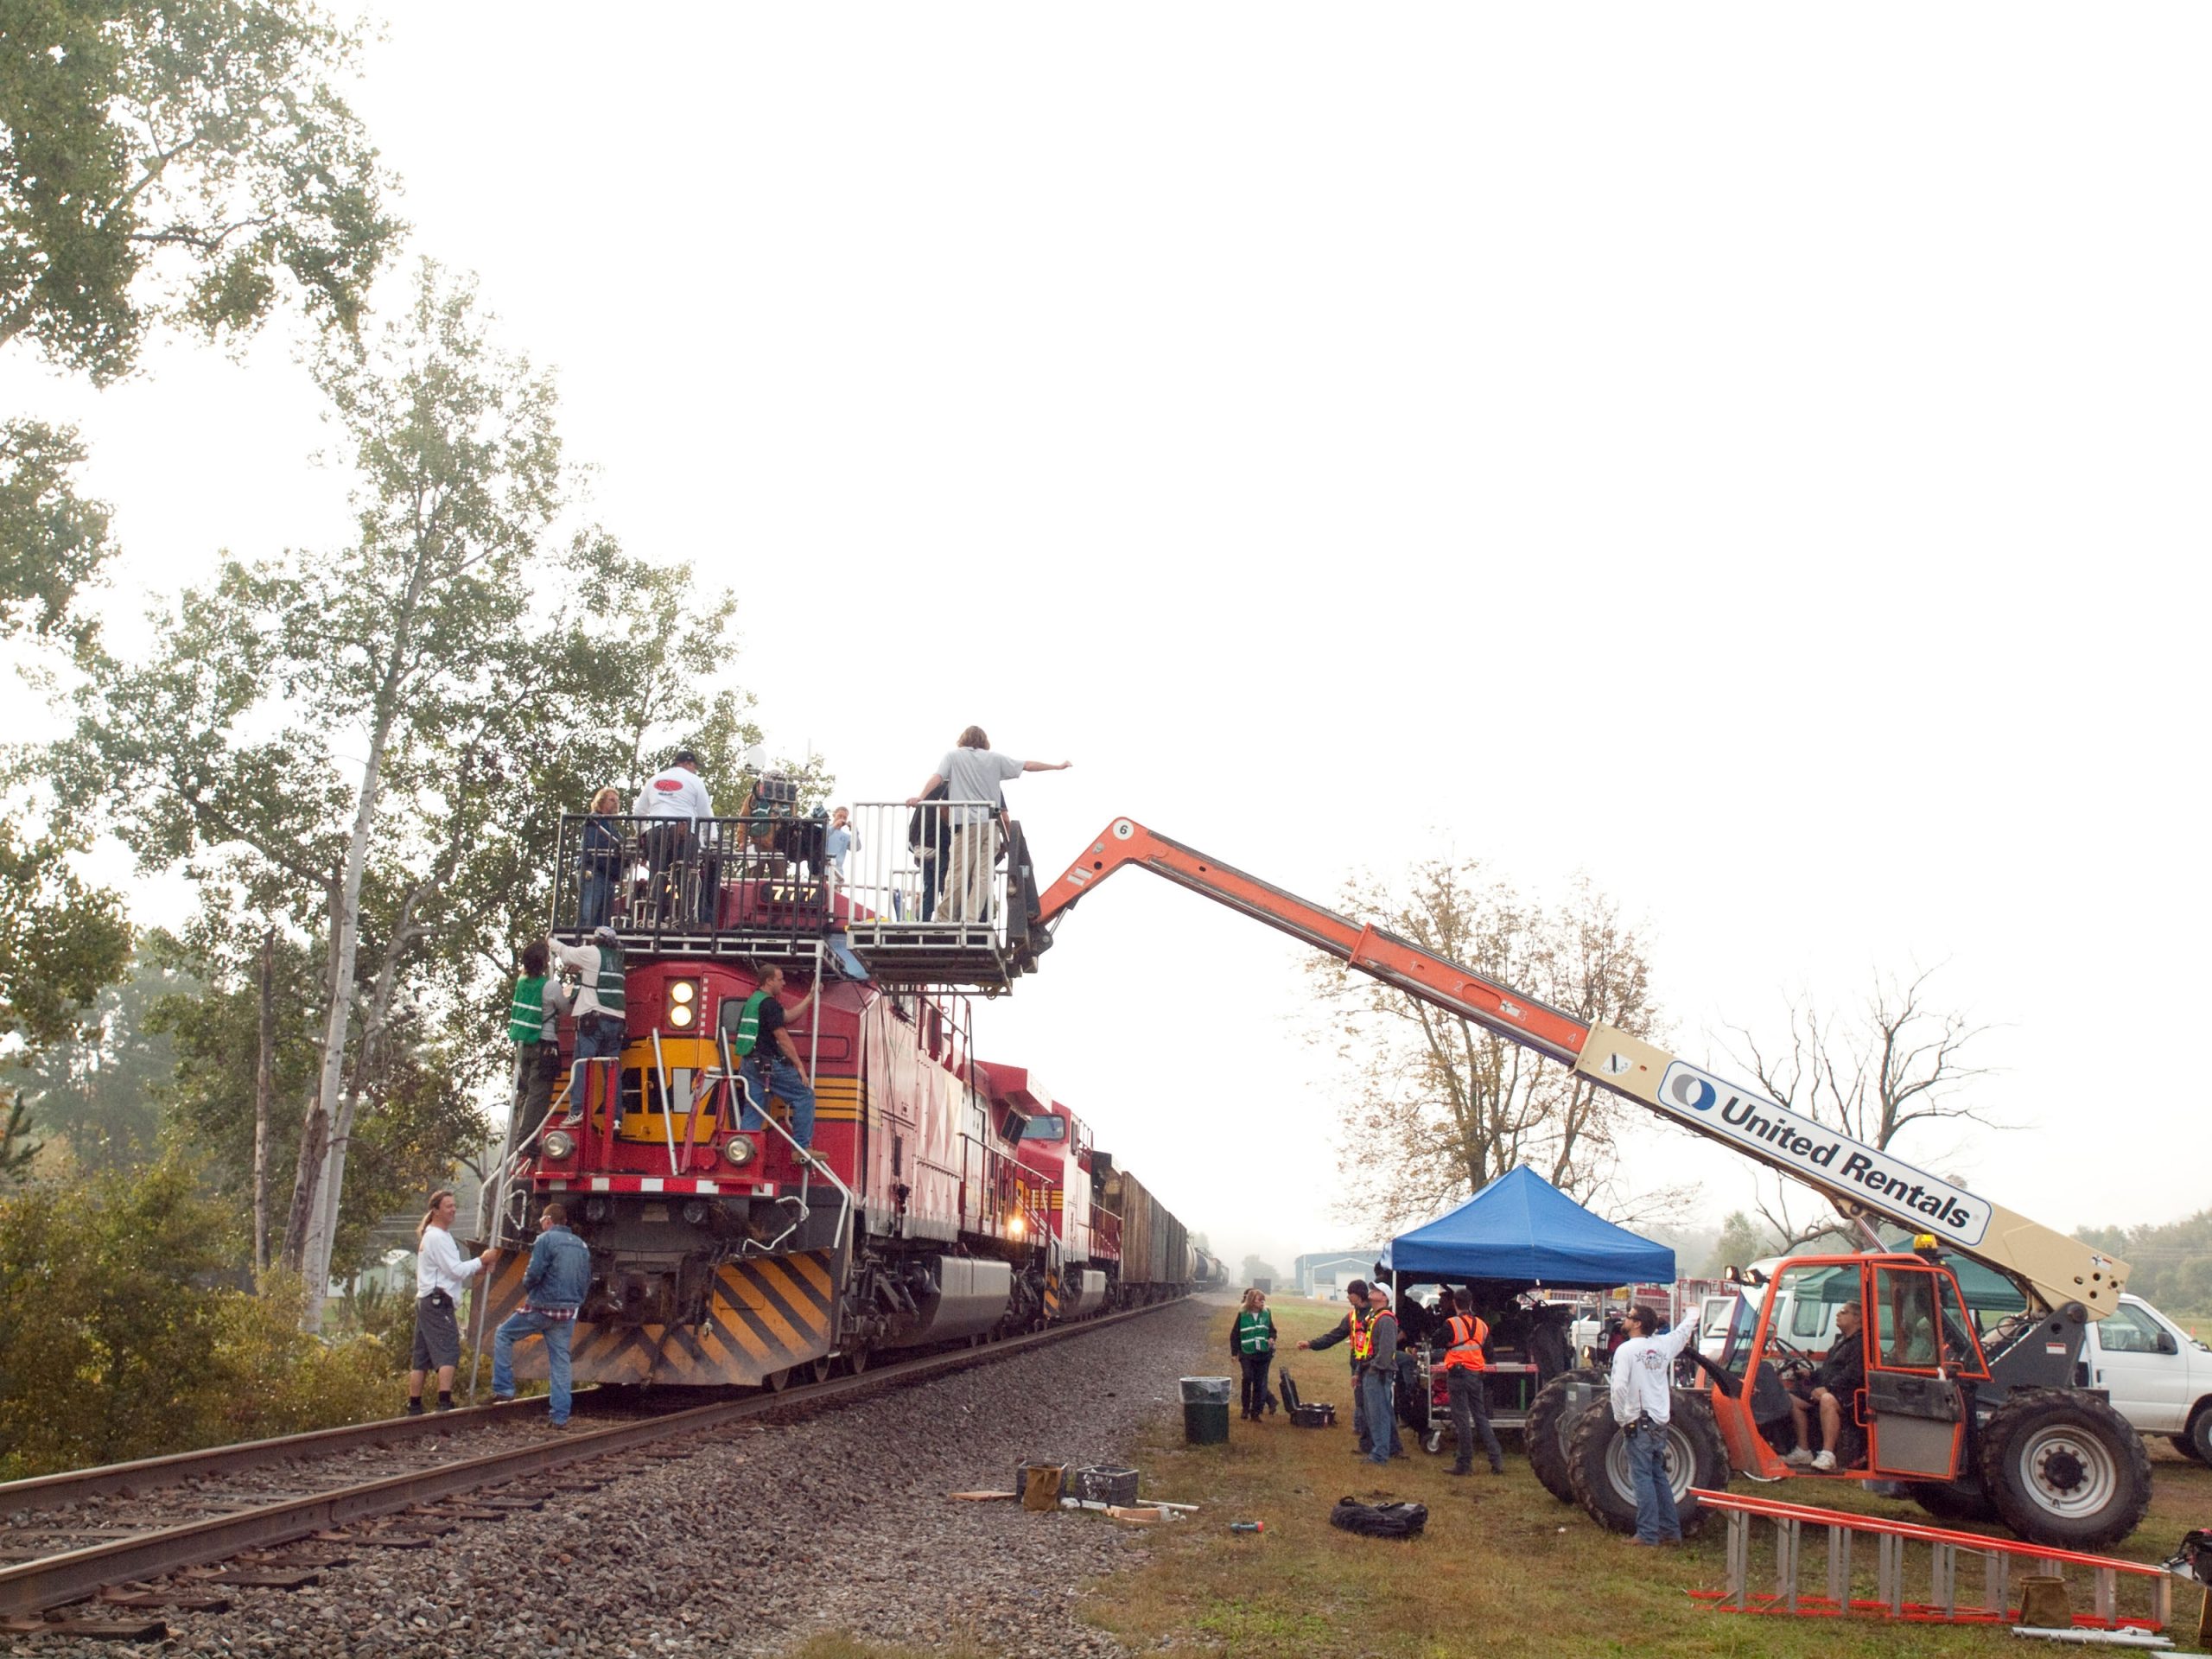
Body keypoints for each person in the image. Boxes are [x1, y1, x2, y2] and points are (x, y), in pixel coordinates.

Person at [906, 728, 1071, 924]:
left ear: (962, 740)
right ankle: (971, 918)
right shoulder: (995, 759)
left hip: (967, 823)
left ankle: (945, 917)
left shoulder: (953, 757)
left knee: (957, 872)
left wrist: (920, 797)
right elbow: (1027, 765)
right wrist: (1056, 767)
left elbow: (938, 777)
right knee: (982, 875)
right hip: (991, 824)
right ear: (985, 742)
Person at [490, 1201, 591, 1427]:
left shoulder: (545, 1239)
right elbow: (586, 1279)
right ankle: (560, 1417)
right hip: (567, 1313)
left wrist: (528, 1287)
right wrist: (576, 1303)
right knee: (560, 1361)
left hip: (542, 1307)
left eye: (542, 1221)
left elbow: (534, 1272)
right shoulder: (581, 1245)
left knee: (503, 1334)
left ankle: (504, 1388)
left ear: (548, 1221)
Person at [1606, 1304, 1700, 1544]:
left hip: (1638, 1421)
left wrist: (1621, 1418)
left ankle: (1647, 1533)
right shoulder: (1662, 1345)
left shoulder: (1626, 1350)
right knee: (1658, 1475)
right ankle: (1670, 1530)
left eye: (1629, 1316)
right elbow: (1682, 1333)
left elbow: (1618, 1388)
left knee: (1642, 1477)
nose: (1625, 1319)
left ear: (1637, 1324)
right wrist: (1693, 1313)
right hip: (1659, 1421)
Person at [407, 1189, 498, 1414]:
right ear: (436, 1210)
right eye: (448, 1206)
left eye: (454, 1205)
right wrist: (482, 1259)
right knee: (448, 1350)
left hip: (428, 1300)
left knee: (422, 1356)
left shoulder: (437, 1236)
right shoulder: (437, 1237)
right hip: (437, 1302)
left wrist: (478, 1269)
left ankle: (414, 1405)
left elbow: (448, 1271)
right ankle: (444, 1402)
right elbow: (455, 1270)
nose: (453, 1209)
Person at [732, 965, 820, 1154]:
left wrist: (810, 996)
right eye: (780, 979)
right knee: (804, 1096)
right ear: (769, 981)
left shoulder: (754, 1001)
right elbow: (782, 1037)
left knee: (754, 1108)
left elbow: (786, 1016)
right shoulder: (769, 1004)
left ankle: (742, 1152)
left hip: (749, 1063)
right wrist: (799, 1066)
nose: (784, 983)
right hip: (766, 1064)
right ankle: (802, 1148)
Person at [549, 926, 627, 1122]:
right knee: (612, 1070)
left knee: (583, 1064)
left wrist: (549, 940)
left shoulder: (592, 953)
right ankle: (615, 1118)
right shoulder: (618, 959)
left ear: (596, 939)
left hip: (593, 1019)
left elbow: (566, 954)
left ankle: (577, 1110)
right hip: (616, 1022)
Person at [1300, 1279, 1383, 1456]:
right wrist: (1311, 1344)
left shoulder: (1375, 1314)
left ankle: (1379, 1446)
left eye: (1349, 1293)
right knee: (1362, 1405)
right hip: (1357, 1367)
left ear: (1358, 1294)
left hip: (1373, 1367)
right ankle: (1366, 1442)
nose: (1347, 1297)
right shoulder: (1351, 1317)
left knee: (1373, 1407)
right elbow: (1334, 1336)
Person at [633, 749, 714, 925]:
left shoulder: (654, 780)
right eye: (694, 766)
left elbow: (638, 811)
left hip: (657, 830)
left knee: (657, 876)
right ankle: (686, 921)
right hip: (685, 831)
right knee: (685, 879)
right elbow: (706, 814)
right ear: (687, 764)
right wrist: (711, 842)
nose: (695, 770)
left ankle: (652, 920)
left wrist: (642, 835)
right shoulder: (695, 781)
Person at [1786, 1301, 1866, 1471]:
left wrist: (1829, 1388)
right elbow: (1830, 1369)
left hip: (1851, 1397)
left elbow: (1853, 1374)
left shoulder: (1861, 1343)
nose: (1838, 1315)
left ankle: (1828, 1455)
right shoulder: (1840, 1342)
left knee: (1828, 1400)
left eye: (1843, 1312)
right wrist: (1811, 1374)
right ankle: (1803, 1450)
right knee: (1792, 1399)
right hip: (1835, 1390)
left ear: (1857, 1318)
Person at [506, 942, 571, 1141]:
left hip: (524, 1045)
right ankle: (526, 1141)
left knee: (526, 1092)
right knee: (539, 1095)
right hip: (545, 1046)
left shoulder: (521, 983)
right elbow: (565, 1009)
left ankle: (524, 1137)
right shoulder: (550, 987)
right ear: (544, 962)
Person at [1440, 1288, 1505, 1477]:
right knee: (1480, 1417)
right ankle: (1496, 1460)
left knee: (1462, 1419)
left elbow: (1438, 1341)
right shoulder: (1482, 1326)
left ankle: (1464, 1463)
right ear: (1471, 1303)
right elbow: (1489, 1352)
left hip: (1457, 1374)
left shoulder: (1451, 1324)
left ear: (1454, 1303)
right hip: (1476, 1374)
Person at [1352, 1284, 1403, 1465]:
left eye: (1376, 1291)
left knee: (1377, 1414)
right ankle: (1392, 1448)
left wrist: (1374, 1368)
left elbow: (1387, 1350)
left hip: (1378, 1372)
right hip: (1371, 1369)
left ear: (1384, 1297)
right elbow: (1366, 1348)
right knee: (1383, 1411)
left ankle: (1380, 1455)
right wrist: (1359, 1371)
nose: (1371, 1292)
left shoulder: (1385, 1319)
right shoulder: (1374, 1317)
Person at [578, 786, 624, 930]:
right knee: (589, 914)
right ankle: (581, 940)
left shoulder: (610, 827)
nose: (615, 803)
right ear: (601, 801)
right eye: (612, 800)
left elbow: (619, 845)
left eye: (617, 801)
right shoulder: (594, 821)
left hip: (607, 876)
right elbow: (599, 844)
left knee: (603, 920)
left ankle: (597, 942)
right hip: (594, 872)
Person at [1231, 1289, 1278, 1421]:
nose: (1262, 1303)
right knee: (1247, 1378)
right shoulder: (1243, 1314)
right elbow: (1235, 1334)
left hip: (1262, 1353)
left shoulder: (1266, 1313)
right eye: (1259, 1300)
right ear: (1252, 1301)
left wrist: (1271, 1338)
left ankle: (1255, 1413)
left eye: (1264, 1300)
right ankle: (1245, 1409)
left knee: (1258, 1383)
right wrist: (1234, 1353)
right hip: (1246, 1352)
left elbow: (1272, 1331)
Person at [823, 805, 859, 883]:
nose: (842, 819)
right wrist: (834, 826)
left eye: (844, 817)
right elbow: (821, 836)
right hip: (821, 872)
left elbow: (856, 848)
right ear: (834, 815)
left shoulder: (846, 836)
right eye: (839, 816)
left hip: (837, 874)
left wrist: (855, 831)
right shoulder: (825, 829)